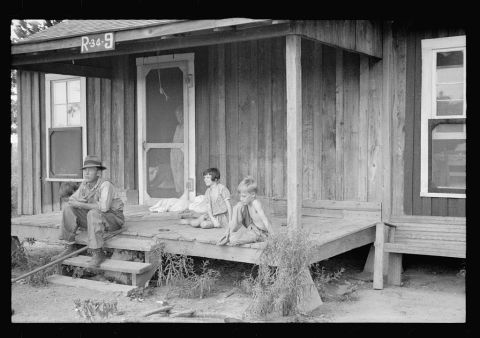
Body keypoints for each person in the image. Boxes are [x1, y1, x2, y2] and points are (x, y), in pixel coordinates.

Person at [52, 155, 125, 268]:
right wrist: (78, 201)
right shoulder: (84, 184)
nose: (86, 173)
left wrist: (81, 204)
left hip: (113, 220)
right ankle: (70, 246)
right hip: (96, 220)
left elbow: (104, 208)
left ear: (98, 172)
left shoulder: (106, 185)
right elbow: (72, 200)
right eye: (85, 170)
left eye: (90, 170)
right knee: (68, 209)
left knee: (93, 213)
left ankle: (97, 252)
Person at [217, 176, 274, 246]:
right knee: (238, 206)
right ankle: (229, 232)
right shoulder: (246, 202)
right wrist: (228, 230)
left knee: (233, 239)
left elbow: (265, 220)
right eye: (240, 196)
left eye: (244, 196)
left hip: (261, 233)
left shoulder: (256, 203)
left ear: (253, 194)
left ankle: (254, 238)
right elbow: (236, 214)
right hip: (252, 227)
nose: (241, 198)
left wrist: (273, 236)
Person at [170, 105, 184, 196]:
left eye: (180, 115)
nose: (178, 117)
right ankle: (178, 191)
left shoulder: (186, 127)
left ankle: (183, 192)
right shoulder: (178, 127)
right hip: (174, 151)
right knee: (175, 171)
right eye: (177, 115)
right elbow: (175, 140)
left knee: (181, 172)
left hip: (182, 151)